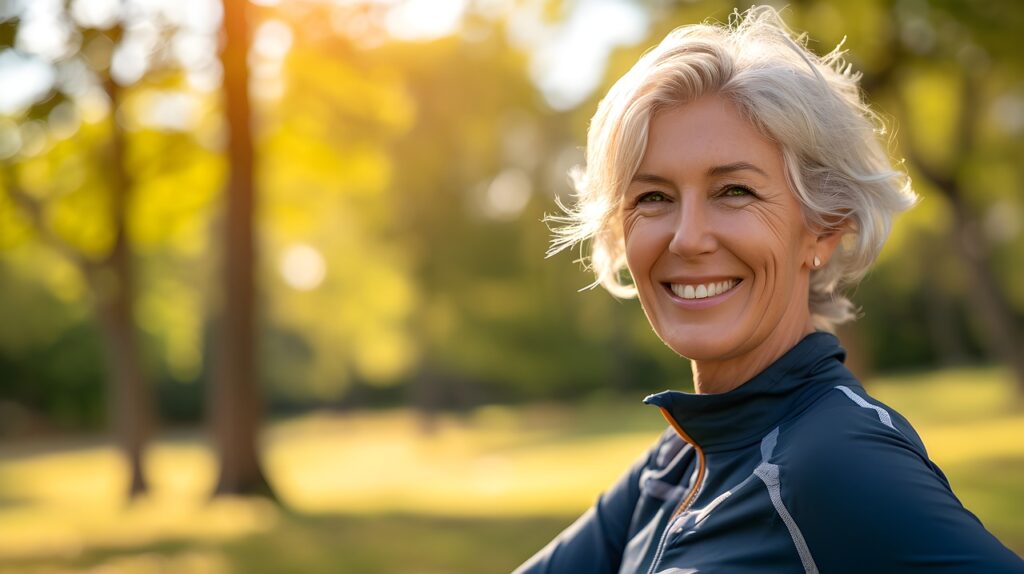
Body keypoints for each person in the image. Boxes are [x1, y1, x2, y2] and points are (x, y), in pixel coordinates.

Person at [515, 6, 1024, 574]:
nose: (687, 238)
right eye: (653, 197)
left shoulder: (837, 461)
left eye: (734, 191)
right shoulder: (675, 463)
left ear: (824, 229)